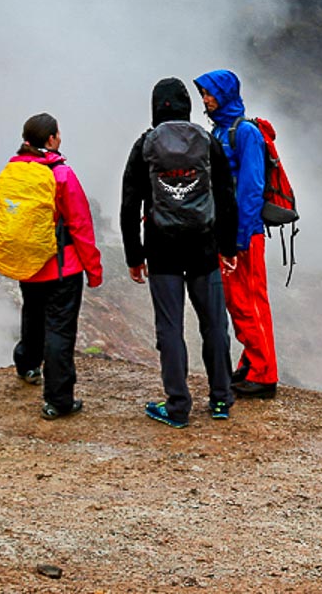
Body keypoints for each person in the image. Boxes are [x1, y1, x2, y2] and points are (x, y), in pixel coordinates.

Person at [120, 78, 238, 427]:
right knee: (214, 325)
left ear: (156, 107)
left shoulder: (145, 144)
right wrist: (228, 246)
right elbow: (226, 197)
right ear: (187, 105)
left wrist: (133, 255)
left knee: (170, 328)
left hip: (161, 250)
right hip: (203, 247)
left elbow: (130, 203)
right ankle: (221, 400)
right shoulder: (206, 141)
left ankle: (177, 407)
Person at [8, 112, 104, 420]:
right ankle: (59, 400)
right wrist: (94, 268)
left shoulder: (14, 170)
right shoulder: (61, 174)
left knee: (32, 315)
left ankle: (26, 365)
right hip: (62, 267)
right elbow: (79, 224)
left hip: (28, 262)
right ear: (51, 139)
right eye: (57, 134)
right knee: (60, 330)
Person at [193, 69, 278, 399]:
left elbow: (251, 189)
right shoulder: (220, 130)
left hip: (244, 236)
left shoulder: (245, 133)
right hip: (226, 234)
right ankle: (252, 362)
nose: (205, 99)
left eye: (210, 93)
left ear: (226, 93)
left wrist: (239, 238)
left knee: (251, 301)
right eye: (203, 94)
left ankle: (265, 374)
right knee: (237, 301)